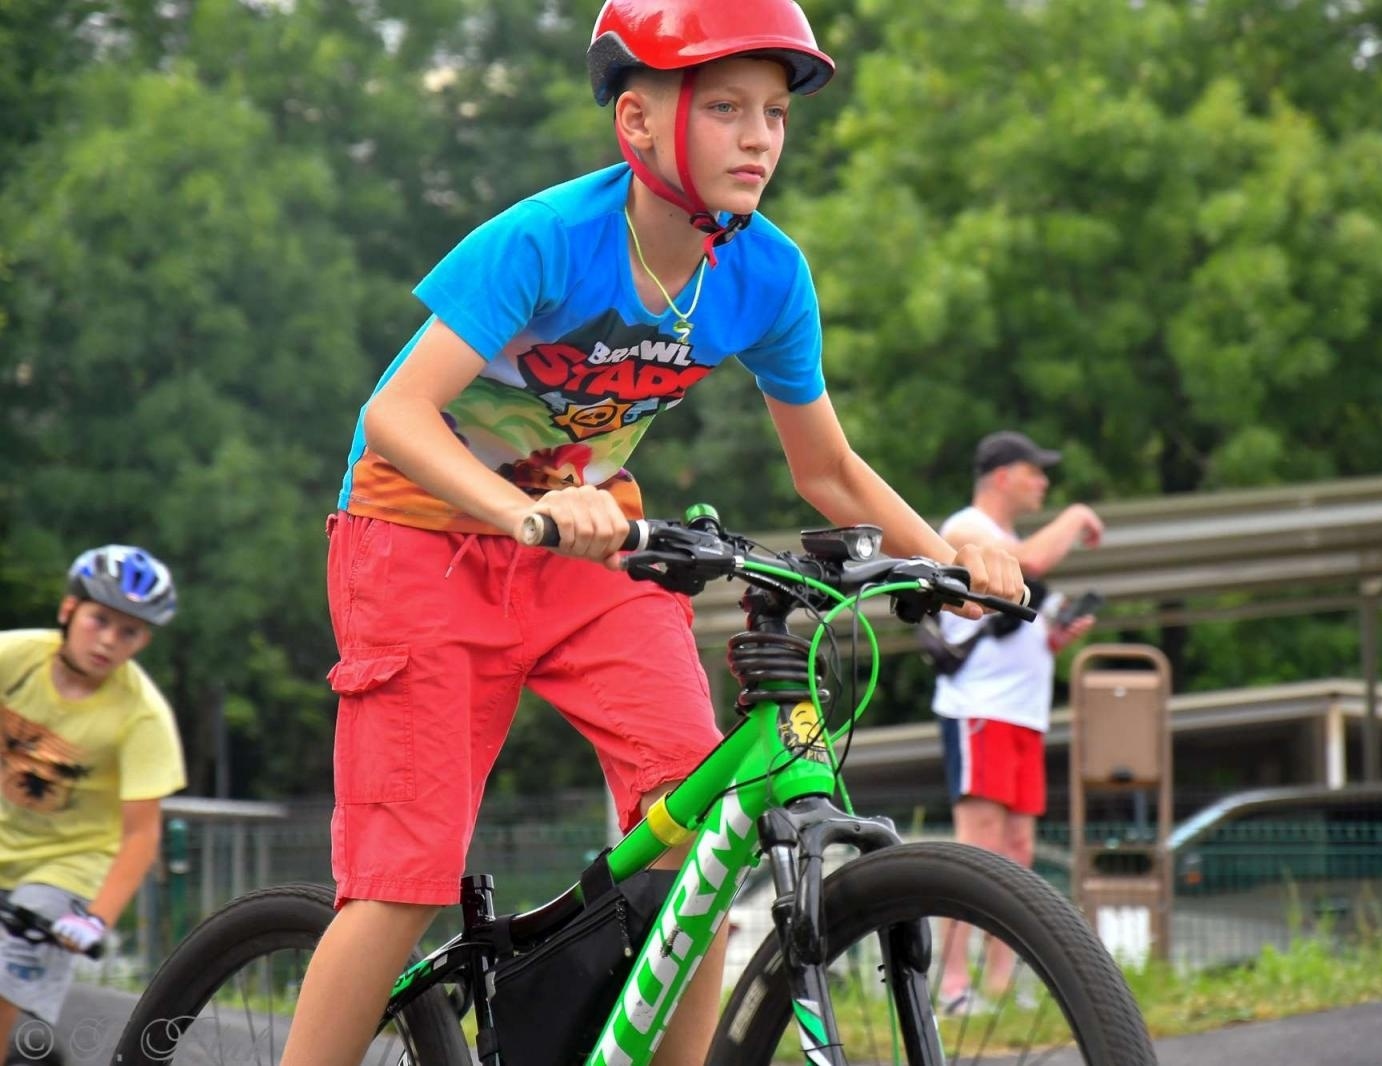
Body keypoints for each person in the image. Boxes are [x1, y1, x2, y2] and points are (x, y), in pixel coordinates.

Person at [277, 3, 1024, 1064]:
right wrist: (521, 509)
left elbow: (825, 468)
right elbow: (394, 416)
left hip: (589, 553)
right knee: (404, 879)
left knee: (703, 831)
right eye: (725, 108)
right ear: (637, 123)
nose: (760, 135)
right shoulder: (548, 240)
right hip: (416, 543)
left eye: (773, 111)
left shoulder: (766, 275)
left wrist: (952, 561)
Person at [932, 430, 1103, 1012]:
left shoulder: (1003, 542)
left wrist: (1056, 637)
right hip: (979, 711)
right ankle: (953, 987)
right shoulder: (968, 529)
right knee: (977, 846)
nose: (1045, 484)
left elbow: (1018, 637)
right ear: (1003, 475)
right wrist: (1078, 515)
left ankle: (1000, 988)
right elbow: (1030, 560)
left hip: (1022, 715)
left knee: (1019, 849)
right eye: (1036, 472)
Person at [1, 546, 185, 1059]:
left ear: (144, 640)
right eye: (99, 619)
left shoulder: (142, 716)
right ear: (67, 610)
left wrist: (96, 919)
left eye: (128, 632)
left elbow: (141, 834)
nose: (108, 640)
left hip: (68, 868)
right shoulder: (14, 658)